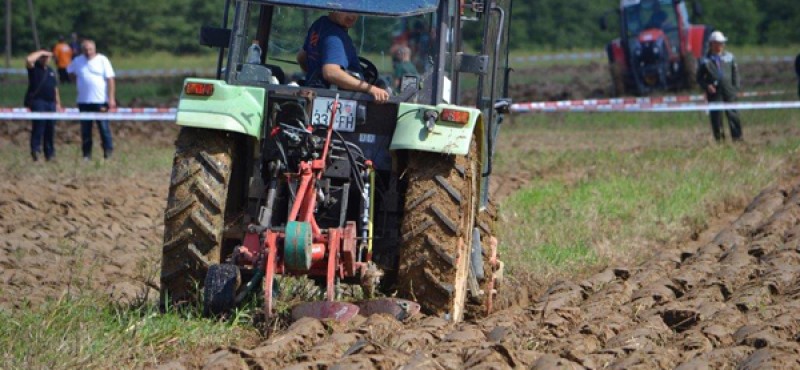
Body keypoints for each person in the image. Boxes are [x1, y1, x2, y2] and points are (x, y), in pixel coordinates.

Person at [296, 12, 389, 103]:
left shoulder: (320, 24)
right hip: (332, 102)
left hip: (313, 98)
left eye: (356, 10)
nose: (352, 16)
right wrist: (370, 89)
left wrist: (315, 78)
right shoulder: (335, 37)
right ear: (334, 7)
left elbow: (302, 57)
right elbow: (331, 72)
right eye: (346, 10)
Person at [67, 39, 117, 160]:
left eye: (90, 49)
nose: (88, 52)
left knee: (104, 128)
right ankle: (86, 155)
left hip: (100, 101)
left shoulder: (102, 60)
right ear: (82, 50)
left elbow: (110, 79)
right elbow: (70, 72)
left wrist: (111, 98)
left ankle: (108, 153)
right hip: (83, 102)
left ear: (94, 49)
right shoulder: (77, 61)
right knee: (85, 130)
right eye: (85, 49)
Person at [696, 31, 742, 142]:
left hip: (729, 91)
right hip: (715, 93)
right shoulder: (705, 61)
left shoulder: (730, 57)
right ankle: (720, 140)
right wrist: (707, 86)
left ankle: (737, 138)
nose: (721, 45)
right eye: (718, 43)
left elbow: (735, 73)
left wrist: (735, 88)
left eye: (722, 43)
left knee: (733, 115)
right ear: (712, 44)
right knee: (716, 117)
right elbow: (699, 78)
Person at [24, 50, 62, 161]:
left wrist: (58, 103)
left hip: (51, 103)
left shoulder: (51, 71)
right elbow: (28, 60)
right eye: (43, 57)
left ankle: (50, 153)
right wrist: (40, 52)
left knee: (50, 128)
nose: (45, 59)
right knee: (39, 126)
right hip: (38, 102)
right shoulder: (34, 68)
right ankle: (36, 151)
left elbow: (55, 88)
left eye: (47, 57)